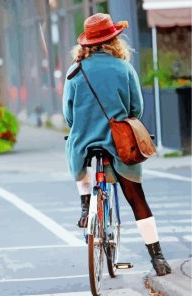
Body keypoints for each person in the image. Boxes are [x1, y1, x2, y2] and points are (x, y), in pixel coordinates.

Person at [62, 13, 171, 276]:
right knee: (136, 199)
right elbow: (136, 109)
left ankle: (86, 203)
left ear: (86, 42)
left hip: (84, 144)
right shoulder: (124, 68)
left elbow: (68, 115)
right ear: (114, 40)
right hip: (120, 144)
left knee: (78, 160)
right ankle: (158, 258)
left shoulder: (75, 71)